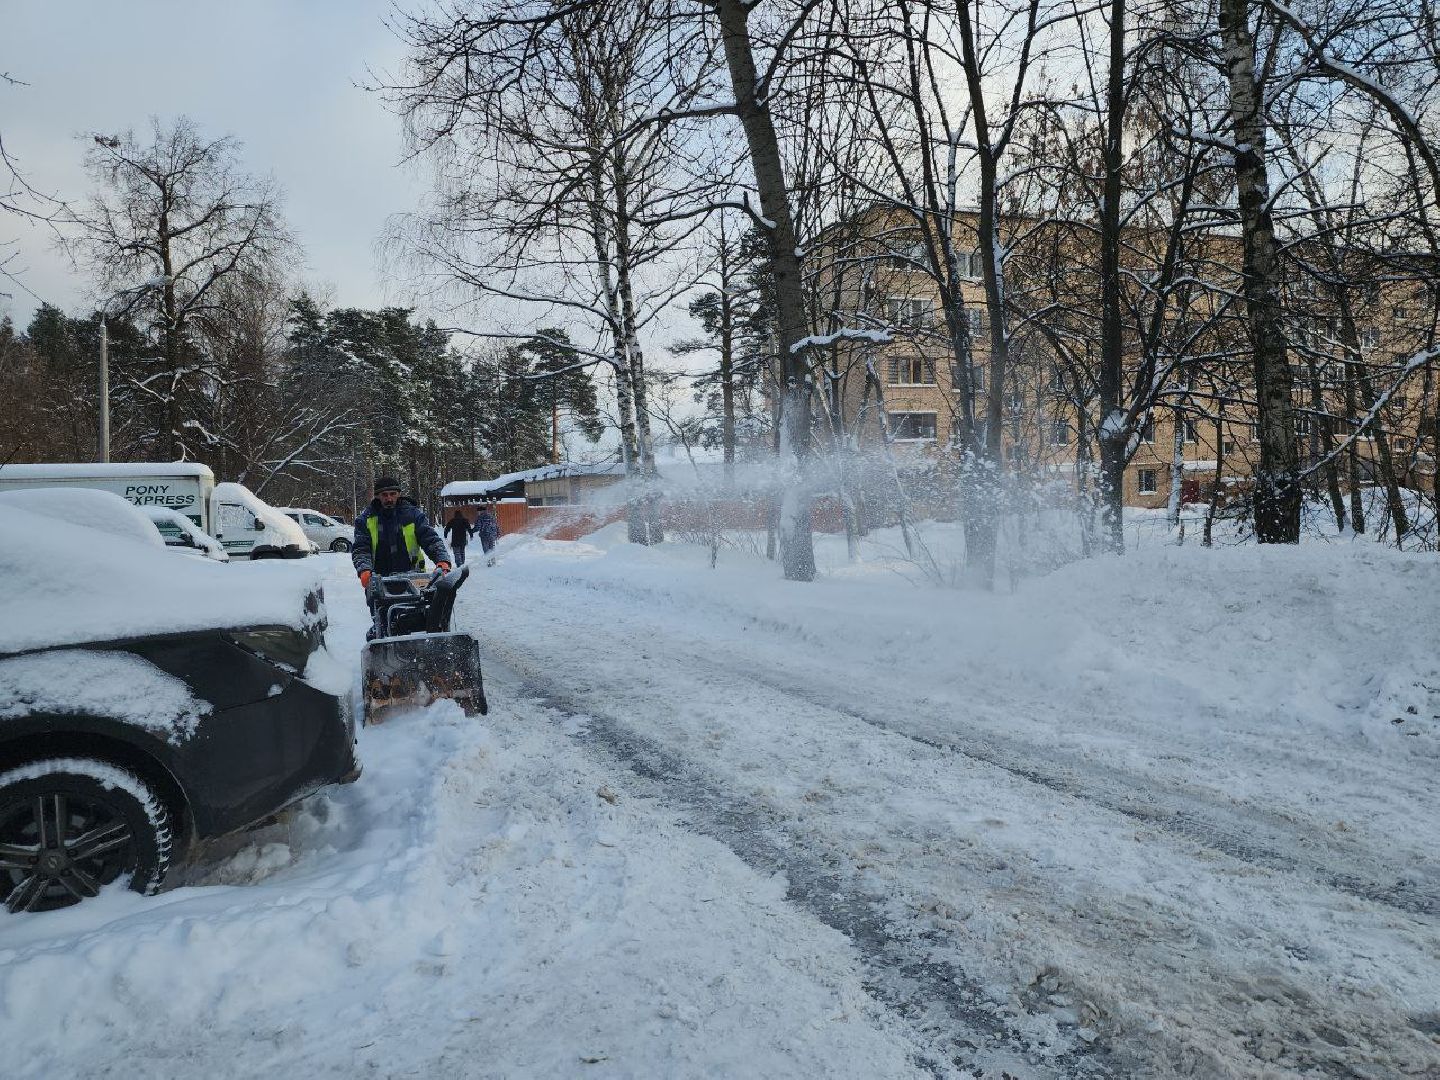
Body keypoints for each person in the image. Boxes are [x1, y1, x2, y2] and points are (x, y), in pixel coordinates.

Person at [352, 476, 451, 591]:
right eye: (384, 495)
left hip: (414, 578)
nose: (389, 498)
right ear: (377, 496)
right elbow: (361, 548)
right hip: (379, 581)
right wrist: (364, 569)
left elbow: (430, 538)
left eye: (392, 494)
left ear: (399, 494)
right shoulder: (365, 520)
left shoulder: (413, 515)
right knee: (383, 609)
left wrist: (442, 560)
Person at [471, 500, 500, 566]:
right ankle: (493, 561)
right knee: (492, 549)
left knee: (486, 549)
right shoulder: (492, 516)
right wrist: (498, 534)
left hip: (485, 535)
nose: (478, 513)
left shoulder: (480, 517)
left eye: (478, 511)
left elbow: (478, 527)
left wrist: (471, 531)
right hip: (493, 535)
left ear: (481, 511)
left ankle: (489, 562)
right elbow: (497, 525)